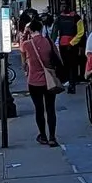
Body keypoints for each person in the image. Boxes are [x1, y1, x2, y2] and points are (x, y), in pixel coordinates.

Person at [18, 14, 59, 146]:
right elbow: (56, 58)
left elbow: (23, 64)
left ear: (30, 30)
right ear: (41, 28)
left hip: (34, 81)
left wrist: (25, 34)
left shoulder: (26, 45)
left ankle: (43, 135)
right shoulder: (48, 42)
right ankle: (52, 137)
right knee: (50, 109)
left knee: (39, 109)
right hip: (49, 80)